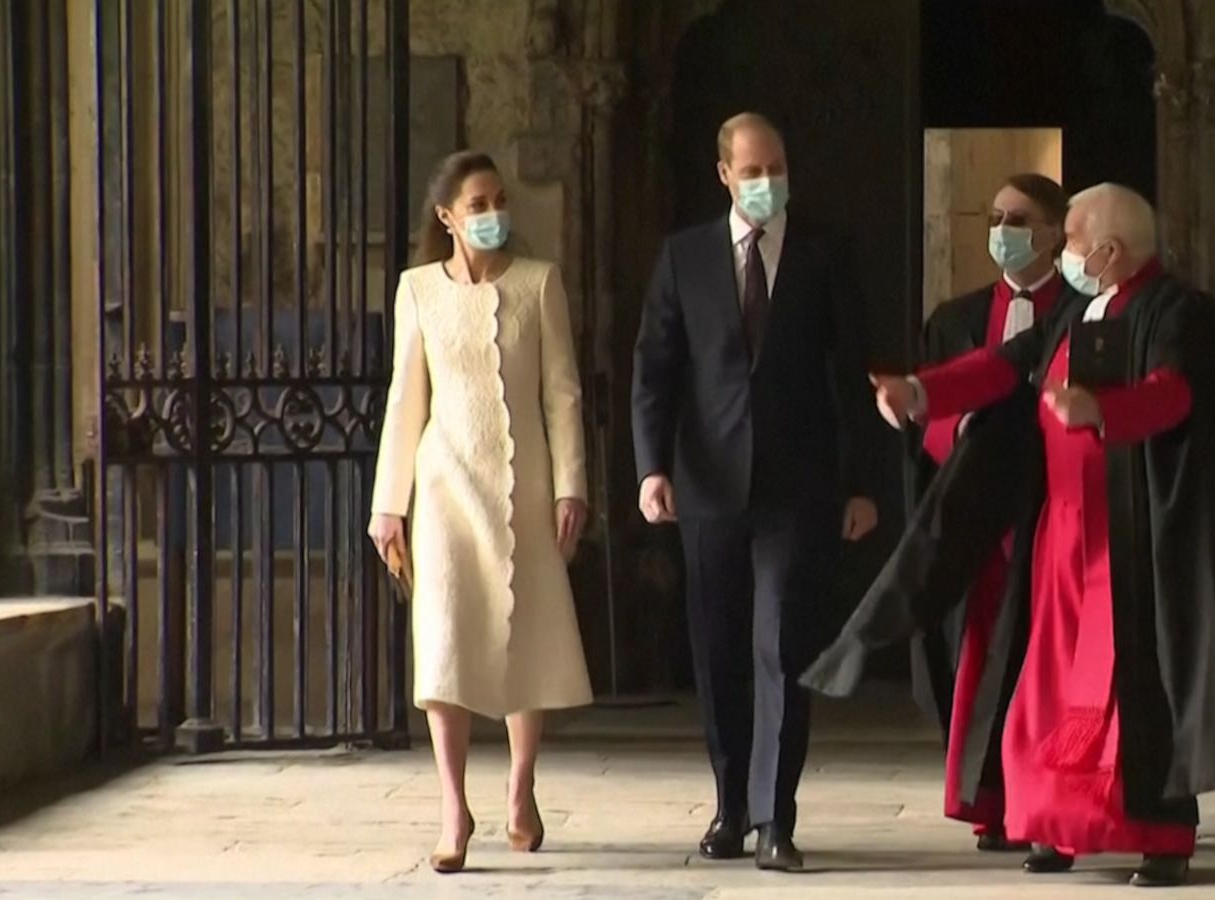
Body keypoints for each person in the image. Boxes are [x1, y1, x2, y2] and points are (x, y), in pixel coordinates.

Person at [863, 183, 1215, 887]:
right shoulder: (1072, 308)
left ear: (1109, 249)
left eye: (1068, 238)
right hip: (1061, 531)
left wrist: (1104, 408)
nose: (1061, 252)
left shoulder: (1179, 311)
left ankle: (1158, 833)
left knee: (1134, 686)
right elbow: (1005, 366)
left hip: (1131, 535)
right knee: (1045, 683)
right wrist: (922, 394)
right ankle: (1053, 824)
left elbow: (1180, 393)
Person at [631, 112, 882, 871]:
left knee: (781, 647)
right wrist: (651, 469)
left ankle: (778, 819)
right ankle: (730, 806)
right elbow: (655, 372)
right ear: (724, 175)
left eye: (777, 167)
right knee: (718, 652)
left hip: (796, 489)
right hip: (707, 489)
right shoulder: (684, 258)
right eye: (753, 170)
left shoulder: (822, 254)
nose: (768, 181)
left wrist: (862, 483)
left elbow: (853, 373)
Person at [368, 150, 593, 874]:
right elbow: (406, 400)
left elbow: (562, 393)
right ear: (447, 217)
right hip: (442, 486)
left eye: (499, 200)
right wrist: (388, 505)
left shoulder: (539, 283)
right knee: (445, 638)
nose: (494, 213)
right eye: (477, 204)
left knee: (525, 631)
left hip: (523, 485)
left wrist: (571, 486)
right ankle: (453, 806)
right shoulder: (416, 291)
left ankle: (521, 788)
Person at [910, 174, 1073, 857]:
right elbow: (930, 418)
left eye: (1020, 218)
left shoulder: (1080, 312)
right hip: (982, 509)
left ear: (1056, 232)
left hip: (1056, 509)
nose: (1003, 229)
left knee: (1047, 662)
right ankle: (990, 802)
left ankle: (1047, 805)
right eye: (996, 215)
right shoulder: (955, 317)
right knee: (981, 652)